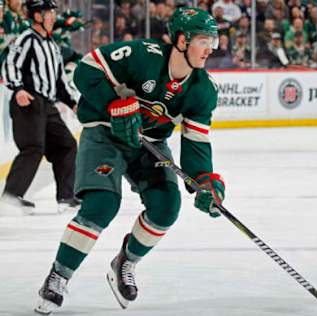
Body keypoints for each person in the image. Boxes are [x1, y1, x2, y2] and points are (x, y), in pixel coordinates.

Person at [34, 7, 226, 314]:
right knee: (101, 204)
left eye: (213, 41)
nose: (210, 49)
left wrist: (203, 180)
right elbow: (85, 69)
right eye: (203, 40)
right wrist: (114, 104)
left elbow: (196, 141)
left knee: (166, 207)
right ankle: (58, 275)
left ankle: (126, 261)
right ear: (180, 40)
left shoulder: (203, 89)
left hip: (149, 144)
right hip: (104, 133)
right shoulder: (142, 55)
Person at [0, 0, 79, 215]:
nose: (53, 17)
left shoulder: (51, 45)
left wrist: (72, 103)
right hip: (28, 102)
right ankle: (10, 196)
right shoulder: (24, 39)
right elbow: (9, 64)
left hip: (48, 104)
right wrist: (18, 89)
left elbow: (59, 80)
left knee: (66, 145)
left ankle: (66, 197)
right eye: (49, 13)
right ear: (37, 16)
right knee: (33, 147)